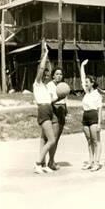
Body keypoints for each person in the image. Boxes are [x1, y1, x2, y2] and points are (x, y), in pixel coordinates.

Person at [32, 42, 56, 174]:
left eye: (48, 75)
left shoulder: (46, 87)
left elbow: (48, 70)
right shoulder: (37, 83)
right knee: (51, 140)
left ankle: (43, 164)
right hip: (43, 111)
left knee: (44, 139)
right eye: (44, 75)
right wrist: (46, 53)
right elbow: (42, 69)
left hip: (48, 111)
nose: (46, 76)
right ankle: (37, 164)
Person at [80, 59, 103, 172]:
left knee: (95, 141)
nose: (85, 83)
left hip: (94, 116)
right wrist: (82, 66)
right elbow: (82, 77)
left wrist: (99, 123)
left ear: (92, 83)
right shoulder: (87, 92)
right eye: (85, 82)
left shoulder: (97, 94)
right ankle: (90, 161)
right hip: (85, 116)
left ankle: (97, 162)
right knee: (89, 140)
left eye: (87, 82)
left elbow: (99, 109)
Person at [46, 67, 66, 170]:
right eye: (57, 74)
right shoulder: (50, 85)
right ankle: (47, 161)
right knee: (52, 138)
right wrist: (58, 98)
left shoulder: (63, 86)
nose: (59, 76)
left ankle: (51, 160)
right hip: (54, 110)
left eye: (61, 74)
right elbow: (49, 101)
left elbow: (65, 100)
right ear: (53, 75)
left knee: (57, 138)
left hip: (62, 110)